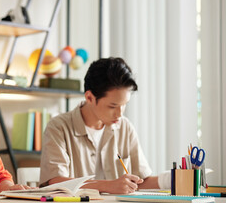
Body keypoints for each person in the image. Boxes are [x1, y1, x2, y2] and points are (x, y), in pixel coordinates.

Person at [40, 57, 166, 194]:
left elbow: (141, 181)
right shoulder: (58, 127)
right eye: (113, 106)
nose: (119, 113)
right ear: (89, 98)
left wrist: (170, 179)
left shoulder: (125, 127)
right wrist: (108, 186)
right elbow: (55, 181)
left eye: (124, 105)